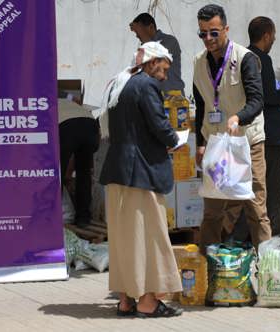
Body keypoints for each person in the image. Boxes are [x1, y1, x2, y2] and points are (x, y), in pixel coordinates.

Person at [98, 41, 183, 318]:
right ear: (151, 62)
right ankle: (147, 302)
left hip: (118, 170)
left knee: (124, 240)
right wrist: (175, 140)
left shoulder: (119, 82)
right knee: (149, 237)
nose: (166, 71)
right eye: (164, 65)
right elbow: (159, 125)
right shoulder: (145, 85)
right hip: (140, 172)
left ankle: (125, 300)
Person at [192, 4, 272, 252]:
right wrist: (201, 144)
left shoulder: (246, 58)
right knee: (213, 211)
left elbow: (257, 100)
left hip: (247, 143)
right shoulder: (198, 63)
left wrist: (238, 117)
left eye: (213, 32)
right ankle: (207, 271)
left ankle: (269, 269)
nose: (208, 39)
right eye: (203, 33)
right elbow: (202, 105)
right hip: (217, 145)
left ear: (226, 29)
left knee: (256, 210)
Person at [248, 16, 280, 237]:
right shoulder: (262, 59)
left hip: (250, 133)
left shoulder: (243, 56)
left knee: (252, 187)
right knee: (272, 189)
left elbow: (265, 85)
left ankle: (248, 233)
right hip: (268, 134)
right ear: (266, 36)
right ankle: (273, 235)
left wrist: (279, 84)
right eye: (273, 35)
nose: (274, 39)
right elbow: (268, 95)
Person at [58, 97, 100, 228]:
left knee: (56, 175)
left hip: (67, 126)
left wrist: (66, 174)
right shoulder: (67, 102)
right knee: (84, 173)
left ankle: (53, 216)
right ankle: (83, 218)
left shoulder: (44, 103)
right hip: (91, 125)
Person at [129, 13, 184, 93]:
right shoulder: (146, 48)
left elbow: (154, 58)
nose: (137, 35)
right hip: (157, 98)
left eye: (138, 31)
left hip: (173, 98)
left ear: (150, 27)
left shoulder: (168, 41)